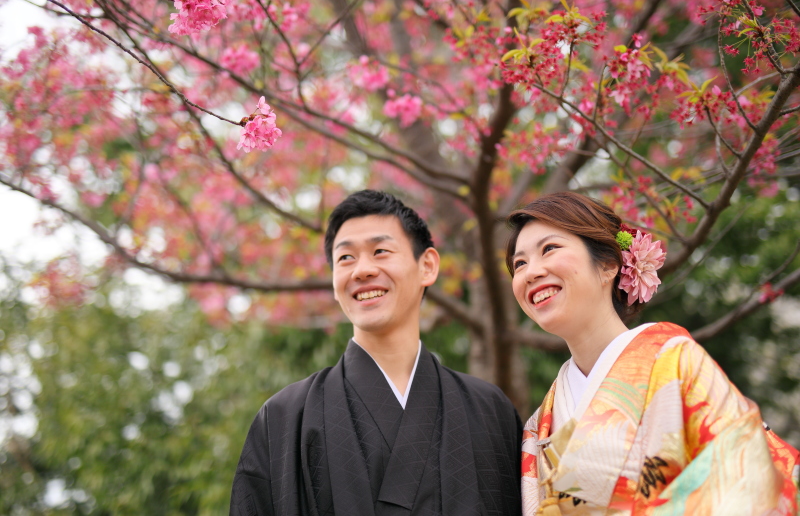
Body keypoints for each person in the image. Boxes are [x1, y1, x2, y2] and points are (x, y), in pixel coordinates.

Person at [230, 189, 522, 516]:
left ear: (427, 266)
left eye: (380, 251)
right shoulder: (285, 417)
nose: (362, 270)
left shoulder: (489, 410)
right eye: (346, 258)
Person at [505, 192, 799, 515]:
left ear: (608, 265)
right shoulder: (539, 424)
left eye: (549, 249)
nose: (531, 272)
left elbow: (745, 471)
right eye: (520, 264)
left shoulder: (673, 360)